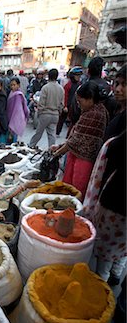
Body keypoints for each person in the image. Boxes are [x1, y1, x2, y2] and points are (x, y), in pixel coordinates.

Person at [82, 65, 126, 284]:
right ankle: (112, 275)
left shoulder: (106, 114)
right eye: (117, 83)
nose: (118, 89)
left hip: (118, 196)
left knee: (107, 252)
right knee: (114, 250)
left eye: (124, 85)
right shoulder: (119, 113)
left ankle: (104, 288)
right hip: (111, 190)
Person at [51, 81, 108, 198]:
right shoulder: (90, 111)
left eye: (80, 101)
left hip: (84, 160)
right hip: (75, 155)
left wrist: (57, 153)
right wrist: (60, 147)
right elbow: (76, 136)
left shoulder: (95, 114)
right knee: (68, 190)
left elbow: (75, 140)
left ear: (90, 98)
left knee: (76, 192)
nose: (78, 104)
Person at [29, 68, 64, 148]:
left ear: (48, 76)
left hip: (45, 114)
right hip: (55, 115)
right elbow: (61, 104)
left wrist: (39, 113)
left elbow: (41, 103)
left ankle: (31, 146)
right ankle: (51, 151)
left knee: (38, 133)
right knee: (52, 135)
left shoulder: (45, 88)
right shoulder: (61, 88)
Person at [56, 66, 82, 136]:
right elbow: (65, 96)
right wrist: (65, 106)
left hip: (76, 106)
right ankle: (57, 132)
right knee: (61, 119)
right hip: (68, 105)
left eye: (79, 75)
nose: (78, 77)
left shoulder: (80, 85)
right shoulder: (68, 85)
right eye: (77, 75)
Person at [6, 77, 29, 143]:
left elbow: (18, 108)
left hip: (16, 117)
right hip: (11, 116)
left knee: (14, 136)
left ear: (18, 85)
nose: (12, 87)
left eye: (14, 85)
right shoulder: (11, 93)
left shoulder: (18, 95)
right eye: (11, 85)